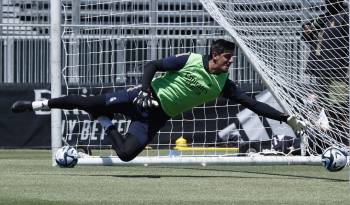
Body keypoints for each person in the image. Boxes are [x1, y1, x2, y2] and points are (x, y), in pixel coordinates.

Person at [11, 39, 306, 162]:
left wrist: (285, 117)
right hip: (139, 99)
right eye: (228, 58)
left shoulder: (223, 84)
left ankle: (104, 121)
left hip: (157, 117)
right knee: (87, 101)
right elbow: (152, 65)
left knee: (126, 155)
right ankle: (37, 105)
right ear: (215, 55)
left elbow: (253, 104)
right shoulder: (190, 60)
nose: (230, 63)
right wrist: (145, 90)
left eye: (231, 59)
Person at [301, 0, 349, 139]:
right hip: (321, 70)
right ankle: (335, 143)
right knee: (327, 110)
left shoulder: (345, 14)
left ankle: (345, 144)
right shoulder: (324, 17)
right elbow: (310, 38)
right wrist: (307, 30)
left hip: (338, 71)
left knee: (338, 109)